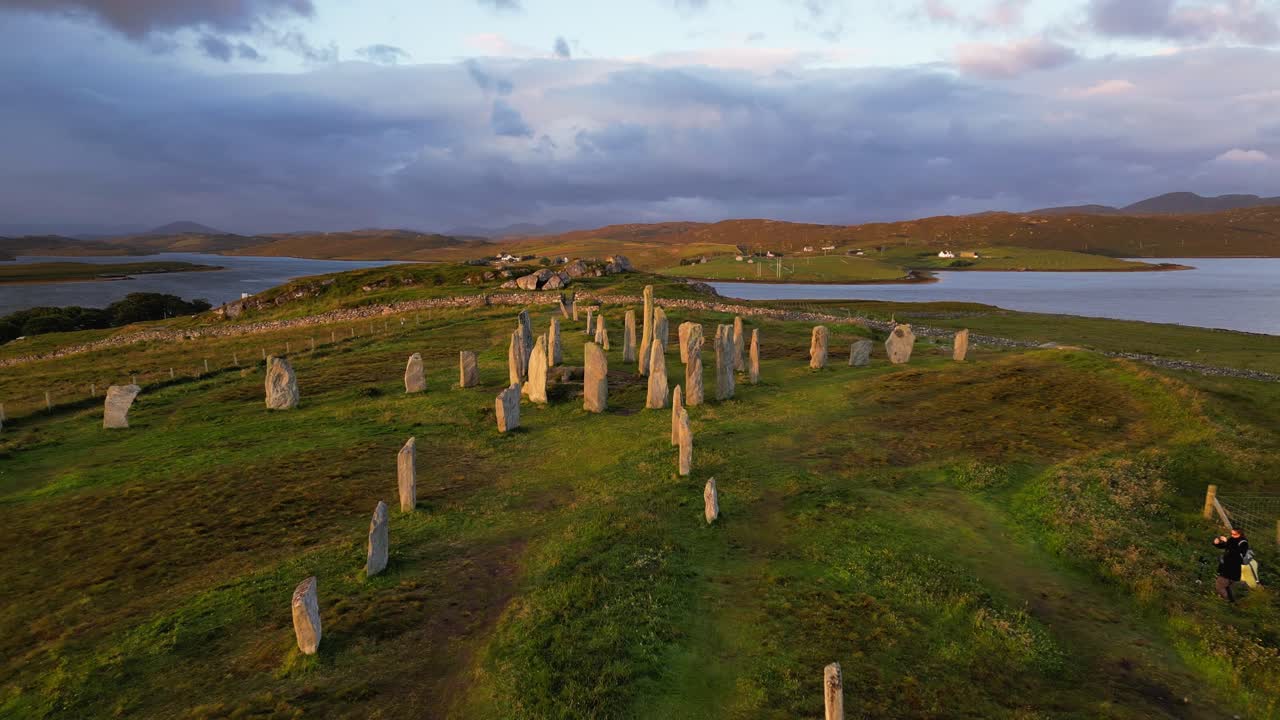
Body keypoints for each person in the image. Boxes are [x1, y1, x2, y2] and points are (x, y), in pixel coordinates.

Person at [1212, 528, 1250, 602]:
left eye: (1234, 534)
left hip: (1233, 567)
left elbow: (1236, 552)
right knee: (1228, 586)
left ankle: (1228, 600)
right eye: (1231, 534)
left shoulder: (1243, 543)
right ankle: (1231, 601)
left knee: (1220, 585)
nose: (1232, 536)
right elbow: (1225, 546)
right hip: (1226, 565)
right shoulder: (1231, 539)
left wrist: (1227, 542)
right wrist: (1216, 543)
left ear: (1240, 534)